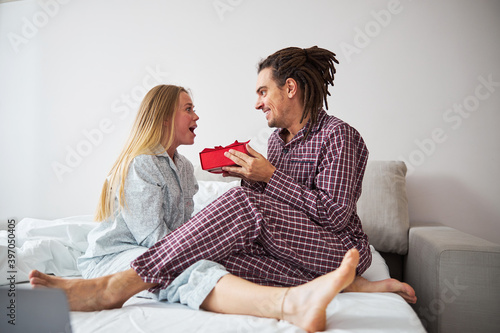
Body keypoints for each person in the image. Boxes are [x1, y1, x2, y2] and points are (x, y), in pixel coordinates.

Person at [30, 46, 416, 333]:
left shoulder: (340, 137)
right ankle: (337, 289)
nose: (257, 103)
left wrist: (268, 179)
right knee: (218, 252)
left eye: (264, 92)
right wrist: (253, 176)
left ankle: (118, 285)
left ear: (291, 89)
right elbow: (280, 211)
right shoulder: (279, 142)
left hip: (336, 246)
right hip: (297, 248)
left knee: (243, 204)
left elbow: (333, 215)